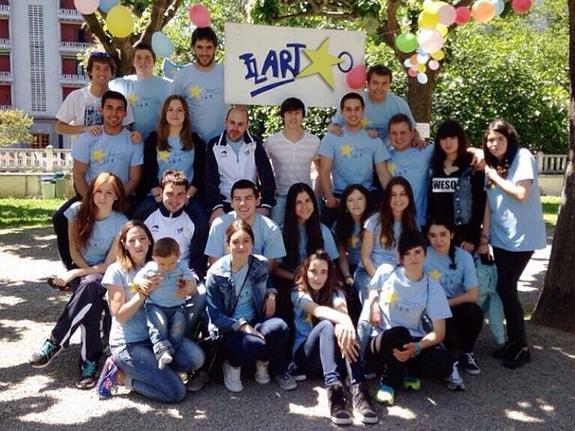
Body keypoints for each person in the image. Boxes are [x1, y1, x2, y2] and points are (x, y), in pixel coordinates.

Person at [29, 172, 128, 389]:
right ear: (91, 193)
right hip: (82, 270)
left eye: (109, 193)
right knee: (90, 294)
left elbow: (108, 265)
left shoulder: (121, 222)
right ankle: (89, 362)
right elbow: (73, 252)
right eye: (98, 191)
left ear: (117, 196)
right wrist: (81, 273)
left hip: (102, 274)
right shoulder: (76, 211)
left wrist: (74, 274)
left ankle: (55, 341)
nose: (103, 197)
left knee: (90, 288)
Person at [96, 220, 204, 402]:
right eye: (132, 241)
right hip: (130, 343)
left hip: (159, 338)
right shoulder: (116, 271)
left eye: (142, 238)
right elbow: (119, 315)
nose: (138, 244)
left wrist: (186, 285)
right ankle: (121, 376)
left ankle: (155, 372)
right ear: (124, 244)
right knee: (176, 393)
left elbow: (190, 281)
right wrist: (142, 293)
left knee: (196, 358)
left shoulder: (160, 263)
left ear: (150, 241)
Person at [361, 230, 464, 407]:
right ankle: (389, 383)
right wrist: (374, 304)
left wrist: (417, 347)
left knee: (440, 361)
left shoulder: (433, 287)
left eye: (417, 252)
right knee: (398, 333)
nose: (413, 258)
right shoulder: (386, 272)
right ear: (400, 256)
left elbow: (439, 332)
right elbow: (372, 291)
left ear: (425, 254)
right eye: (407, 253)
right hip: (383, 338)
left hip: (413, 342)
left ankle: (404, 369)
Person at [478, 119, 546, 369]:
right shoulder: (491, 166)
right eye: (490, 140)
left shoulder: (523, 157)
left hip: (523, 238)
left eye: (500, 139)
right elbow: (488, 205)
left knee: (505, 286)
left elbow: (521, 193)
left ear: (510, 139)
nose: (494, 144)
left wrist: (493, 176)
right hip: (500, 238)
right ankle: (513, 342)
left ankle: (522, 347)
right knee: (505, 288)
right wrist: (484, 238)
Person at [53, 91, 144, 269]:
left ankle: (127, 267)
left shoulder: (133, 140)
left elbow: (134, 178)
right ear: (101, 110)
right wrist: (91, 200)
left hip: (121, 197)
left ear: (125, 113)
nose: (114, 113)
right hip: (90, 196)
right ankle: (72, 267)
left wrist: (114, 199)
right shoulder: (88, 138)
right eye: (109, 108)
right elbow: (79, 173)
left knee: (137, 223)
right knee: (60, 217)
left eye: (119, 109)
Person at [205, 219, 297, 393]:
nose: (241, 246)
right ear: (227, 245)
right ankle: (232, 365)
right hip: (230, 327)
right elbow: (215, 316)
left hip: (255, 319)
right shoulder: (215, 274)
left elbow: (268, 282)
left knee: (280, 327)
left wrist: (271, 294)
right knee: (254, 343)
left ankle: (262, 361)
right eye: (235, 242)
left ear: (253, 243)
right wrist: (243, 326)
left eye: (246, 241)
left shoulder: (260, 263)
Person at [291, 251, 378, 425]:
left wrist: (344, 322)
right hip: (306, 356)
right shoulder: (298, 293)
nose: (318, 277)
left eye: (323, 272)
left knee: (344, 329)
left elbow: (341, 309)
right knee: (328, 324)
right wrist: (344, 320)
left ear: (329, 274)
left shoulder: (336, 290)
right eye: (313, 271)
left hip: (332, 357)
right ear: (305, 271)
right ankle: (335, 393)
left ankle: (359, 388)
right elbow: (317, 311)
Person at [318, 92, 391, 226]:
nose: (353, 113)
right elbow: (324, 171)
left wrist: (391, 196)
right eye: (348, 109)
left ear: (363, 111)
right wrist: (329, 197)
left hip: (368, 195)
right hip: (340, 195)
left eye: (357, 109)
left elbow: (382, 172)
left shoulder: (374, 140)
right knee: (324, 230)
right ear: (342, 112)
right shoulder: (330, 139)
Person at [425, 220, 484, 375]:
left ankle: (467, 351)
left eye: (443, 234)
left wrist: (446, 303)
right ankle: (453, 356)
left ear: (451, 234)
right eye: (433, 236)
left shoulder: (464, 257)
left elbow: (473, 294)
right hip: (433, 310)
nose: (438, 240)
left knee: (475, 312)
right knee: (452, 340)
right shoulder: (423, 256)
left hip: (454, 303)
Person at [273, 183, 339, 318]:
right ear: (291, 206)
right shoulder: (281, 232)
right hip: (293, 284)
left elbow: (332, 264)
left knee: (338, 295)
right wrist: (298, 278)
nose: (305, 206)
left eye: (308, 200)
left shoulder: (323, 230)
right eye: (299, 202)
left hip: (320, 281)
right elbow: (275, 269)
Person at [137, 95, 206, 218]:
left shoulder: (195, 139)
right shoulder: (154, 138)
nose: (175, 114)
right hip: (159, 195)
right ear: (164, 113)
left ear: (185, 114)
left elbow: (200, 173)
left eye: (179, 110)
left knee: (201, 220)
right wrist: (158, 196)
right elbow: (148, 171)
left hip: (187, 196)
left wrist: (186, 197)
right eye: (170, 109)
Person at [205, 105, 276, 224]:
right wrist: (216, 207)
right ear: (225, 123)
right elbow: (209, 181)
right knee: (217, 224)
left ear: (247, 126)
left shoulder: (255, 144)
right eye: (232, 123)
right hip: (226, 203)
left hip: (251, 203)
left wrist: (265, 205)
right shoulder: (215, 145)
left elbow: (267, 177)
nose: (235, 128)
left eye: (240, 124)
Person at [355, 177, 418, 303]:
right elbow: (365, 257)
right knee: (376, 304)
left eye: (402, 194)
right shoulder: (373, 221)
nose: (398, 199)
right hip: (369, 273)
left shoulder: (413, 224)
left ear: (409, 197)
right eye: (393, 195)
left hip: (398, 275)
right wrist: (380, 281)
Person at [137, 237, 197, 369]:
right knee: (159, 324)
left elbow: (192, 282)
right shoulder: (150, 267)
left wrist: (186, 288)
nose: (167, 267)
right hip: (155, 305)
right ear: (154, 258)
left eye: (171, 263)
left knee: (179, 326)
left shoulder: (182, 266)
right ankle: (161, 350)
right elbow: (137, 279)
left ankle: (170, 351)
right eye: (162, 264)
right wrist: (142, 282)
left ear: (178, 256)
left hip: (177, 306)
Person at [428, 120, 486, 252]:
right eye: (444, 138)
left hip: (464, 235)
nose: (448, 143)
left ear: (460, 139)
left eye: (452, 138)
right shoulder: (434, 167)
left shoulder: (472, 166)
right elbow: (432, 204)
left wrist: (472, 238)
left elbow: (479, 204)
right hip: (440, 236)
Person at [264, 97, 320, 227]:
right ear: (282, 116)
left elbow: (320, 171)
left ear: (303, 115)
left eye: (297, 113)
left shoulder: (314, 141)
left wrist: (316, 195)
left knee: (313, 229)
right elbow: (261, 170)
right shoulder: (272, 141)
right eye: (289, 113)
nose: (293, 117)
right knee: (275, 229)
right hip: (281, 196)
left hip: (306, 195)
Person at [204, 180, 285, 270]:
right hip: (224, 276)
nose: (243, 203)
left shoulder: (271, 229)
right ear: (231, 203)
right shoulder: (219, 225)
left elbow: (267, 270)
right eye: (237, 199)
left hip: (257, 277)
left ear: (258, 201)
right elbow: (215, 266)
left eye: (248, 198)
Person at [55, 51, 134, 144]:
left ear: (111, 73)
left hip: (112, 152)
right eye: (97, 68)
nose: (102, 73)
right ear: (90, 71)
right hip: (83, 152)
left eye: (106, 69)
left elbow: (127, 130)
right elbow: (59, 127)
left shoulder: (121, 101)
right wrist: (84, 128)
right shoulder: (76, 96)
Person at [328, 64, 416, 143]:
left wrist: (417, 139)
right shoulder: (354, 101)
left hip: (388, 153)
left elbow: (413, 131)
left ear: (389, 84)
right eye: (375, 83)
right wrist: (336, 130)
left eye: (384, 83)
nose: (379, 87)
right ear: (367, 83)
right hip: (354, 151)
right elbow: (332, 126)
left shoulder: (399, 105)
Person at [172, 26, 226, 143]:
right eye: (200, 47)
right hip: (192, 142)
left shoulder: (226, 73)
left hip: (222, 142)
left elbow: (239, 107)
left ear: (215, 48)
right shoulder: (181, 76)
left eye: (209, 47)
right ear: (193, 47)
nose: (204, 53)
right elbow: (172, 110)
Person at [109, 43, 172, 141]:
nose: (143, 61)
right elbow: (102, 86)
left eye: (147, 57)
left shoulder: (167, 85)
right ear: (133, 62)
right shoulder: (124, 83)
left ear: (154, 61)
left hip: (158, 141)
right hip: (131, 141)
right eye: (139, 57)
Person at [386, 114, 434, 227]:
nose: (398, 137)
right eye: (394, 133)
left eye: (403, 133)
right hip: (393, 223)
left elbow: (453, 150)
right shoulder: (384, 156)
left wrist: (475, 153)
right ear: (389, 135)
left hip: (419, 222)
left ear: (412, 133)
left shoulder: (425, 151)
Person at [334, 184, 371, 323]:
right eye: (350, 200)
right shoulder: (340, 224)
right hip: (354, 267)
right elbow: (343, 257)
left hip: (373, 265)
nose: (356, 204)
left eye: (360, 199)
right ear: (345, 204)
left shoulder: (375, 221)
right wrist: (347, 276)